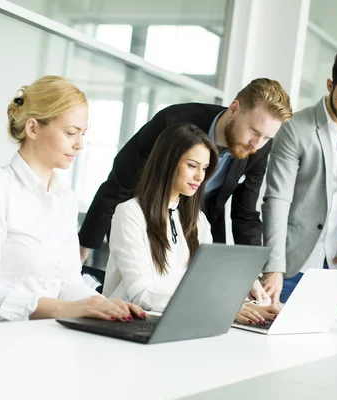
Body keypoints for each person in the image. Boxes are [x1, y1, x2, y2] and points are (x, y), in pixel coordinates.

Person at [0, 76, 145, 324]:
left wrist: (105, 304)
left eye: (83, 134)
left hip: (43, 332)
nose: (79, 145)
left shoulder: (65, 198)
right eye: (71, 133)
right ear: (33, 128)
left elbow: (68, 282)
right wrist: (63, 309)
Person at [78, 78, 293, 302]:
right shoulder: (173, 122)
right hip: (146, 222)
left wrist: (249, 275)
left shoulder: (258, 148)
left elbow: (245, 215)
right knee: (142, 290)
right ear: (234, 108)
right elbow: (119, 184)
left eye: (267, 137)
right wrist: (82, 251)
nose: (257, 144)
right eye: (254, 131)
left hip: (197, 226)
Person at [102, 122, 279, 324]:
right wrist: (214, 308)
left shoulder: (198, 220)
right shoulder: (130, 213)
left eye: (204, 168)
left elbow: (204, 286)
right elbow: (141, 294)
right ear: (167, 162)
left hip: (182, 322)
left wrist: (240, 303)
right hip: (131, 324)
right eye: (192, 165)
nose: (200, 176)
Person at [261, 47, 337, 304]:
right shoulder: (295, 128)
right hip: (292, 265)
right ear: (330, 85)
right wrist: (274, 266)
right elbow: (277, 198)